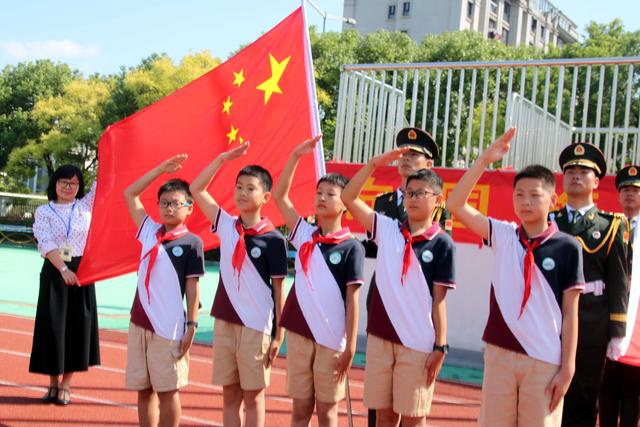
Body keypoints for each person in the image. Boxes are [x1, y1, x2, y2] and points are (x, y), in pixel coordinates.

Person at [447, 128, 583, 426]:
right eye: (519, 195)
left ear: (554, 199)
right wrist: (484, 161)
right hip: (500, 352)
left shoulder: (567, 247)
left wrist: (568, 367)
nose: (525, 202)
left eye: (534, 195)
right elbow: (455, 205)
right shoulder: (504, 234)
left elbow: (571, 313)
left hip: (545, 359)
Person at [342, 147, 455, 426]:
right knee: (384, 416)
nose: (412, 199)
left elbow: (439, 300)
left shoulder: (442, 243)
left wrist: (441, 346)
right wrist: (373, 163)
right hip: (382, 337)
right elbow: (348, 197)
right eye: (408, 193)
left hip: (418, 343)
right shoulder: (388, 229)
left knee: (414, 418)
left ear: (437, 199)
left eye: (420, 193)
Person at [190, 143, 288, 427]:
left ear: (266, 196)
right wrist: (222, 158)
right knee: (229, 395)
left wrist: (279, 334)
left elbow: (280, 290)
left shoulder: (273, 240)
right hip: (225, 322)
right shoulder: (226, 224)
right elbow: (197, 189)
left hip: (256, 327)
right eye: (239, 187)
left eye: (251, 188)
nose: (243, 193)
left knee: (253, 396)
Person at [273, 135, 364, 427]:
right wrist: (295, 156)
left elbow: (352, 300)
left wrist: (350, 345)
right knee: (300, 409)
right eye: (319, 192)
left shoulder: (351, 247)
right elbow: (279, 196)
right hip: (300, 334)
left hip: (331, 339)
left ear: (345, 203)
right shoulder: (304, 234)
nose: (322, 198)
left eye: (331, 194)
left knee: (326, 412)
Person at [549, 142, 629, 427]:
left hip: (591, 320)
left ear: (596, 181)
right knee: (545, 386)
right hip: (550, 315)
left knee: (583, 391)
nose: (575, 175)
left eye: (584, 171)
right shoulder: (549, 221)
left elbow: (619, 281)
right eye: (570, 170)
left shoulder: (612, 226)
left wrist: (617, 331)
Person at [123, 154, 204, 427]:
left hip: (168, 327)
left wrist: (192, 325)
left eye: (176, 204)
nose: (169, 208)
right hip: (139, 321)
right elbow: (130, 193)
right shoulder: (149, 231)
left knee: (168, 391)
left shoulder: (192, 242)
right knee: (143, 390)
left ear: (189, 208)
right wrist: (160, 169)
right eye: (164, 203)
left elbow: (193, 288)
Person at [30, 165, 100, 406]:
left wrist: (105, 152)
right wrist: (63, 269)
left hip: (82, 272)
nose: (68, 187)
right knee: (53, 327)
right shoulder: (44, 211)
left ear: (79, 187)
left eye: (73, 183)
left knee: (77, 327)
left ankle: (66, 385)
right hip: (55, 270)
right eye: (63, 182)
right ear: (55, 183)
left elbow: (103, 180)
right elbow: (45, 242)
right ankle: (52, 383)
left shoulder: (85, 207)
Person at [598, 165, 640, 427]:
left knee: (633, 396)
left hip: (637, 327)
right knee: (607, 392)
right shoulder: (608, 226)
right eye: (625, 189)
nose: (630, 194)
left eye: (636, 190)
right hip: (608, 318)